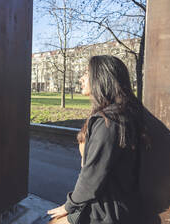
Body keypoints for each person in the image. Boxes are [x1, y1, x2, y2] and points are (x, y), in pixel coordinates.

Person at [47, 55, 148, 224]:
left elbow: (92, 175)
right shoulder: (117, 115)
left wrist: (69, 206)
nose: (81, 78)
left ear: (101, 78)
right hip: (110, 205)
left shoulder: (109, 122)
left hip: (105, 212)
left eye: (87, 73)